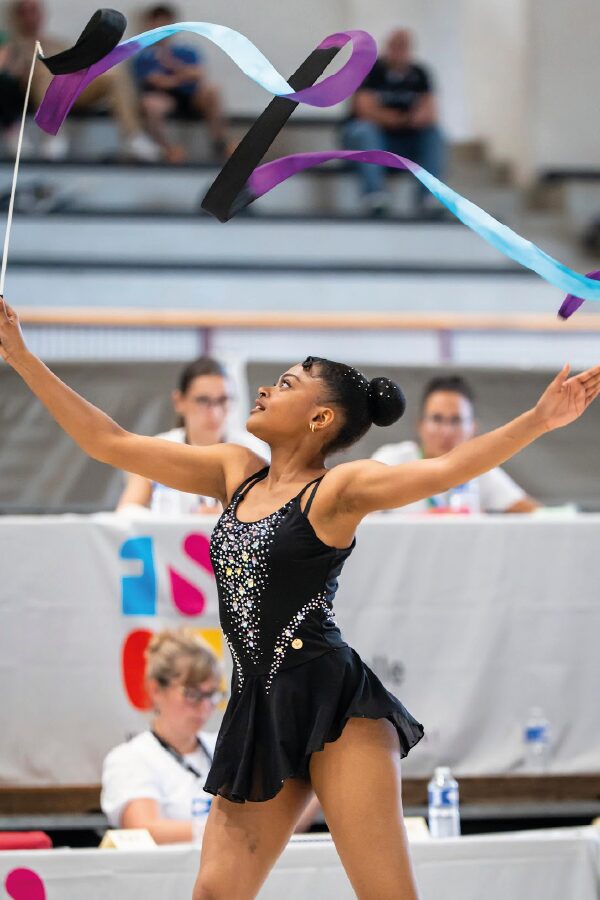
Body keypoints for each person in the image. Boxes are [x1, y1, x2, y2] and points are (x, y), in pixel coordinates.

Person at [2, 300, 599, 900]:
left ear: (319, 419)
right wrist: (22, 356)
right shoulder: (235, 471)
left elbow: (445, 471)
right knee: (214, 893)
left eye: (285, 383)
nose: (262, 387)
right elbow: (110, 442)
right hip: (258, 704)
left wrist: (539, 421)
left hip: (334, 705)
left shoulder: (338, 489)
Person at [101, 628, 223, 843]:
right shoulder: (131, 758)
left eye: (211, 694)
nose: (205, 707)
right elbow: (144, 829)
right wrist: (233, 832)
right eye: (192, 694)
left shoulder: (223, 748)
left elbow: (274, 821)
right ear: (155, 689)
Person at [0, 0, 160, 161]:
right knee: (44, 70)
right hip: (37, 93)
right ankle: (52, 135)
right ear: (17, 17)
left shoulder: (56, 43)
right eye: (25, 12)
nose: (30, 17)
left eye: (34, 11)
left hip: (70, 91)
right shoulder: (11, 45)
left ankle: (133, 136)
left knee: (115, 75)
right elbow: (8, 76)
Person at [116, 356, 268, 515]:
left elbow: (273, 509)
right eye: (203, 401)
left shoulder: (253, 450)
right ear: (179, 401)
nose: (215, 412)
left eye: (223, 400)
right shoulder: (157, 449)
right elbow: (127, 510)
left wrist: (228, 515)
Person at [372, 375, 539, 513]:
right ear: (420, 425)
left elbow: (534, 514)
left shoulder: (482, 468)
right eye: (437, 419)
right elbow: (358, 517)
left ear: (473, 428)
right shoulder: (391, 461)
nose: (446, 431)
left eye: (456, 420)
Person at [342, 28, 445, 217]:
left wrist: (409, 119)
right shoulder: (371, 71)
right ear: (387, 46)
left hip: (402, 141)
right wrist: (401, 119)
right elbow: (364, 110)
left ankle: (429, 197)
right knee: (366, 130)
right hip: (367, 140)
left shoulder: (420, 74)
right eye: (395, 45)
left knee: (434, 134)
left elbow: (429, 111)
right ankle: (374, 195)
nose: (399, 50)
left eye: (403, 46)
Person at [133, 4, 232, 164]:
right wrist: (183, 76)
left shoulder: (186, 50)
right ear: (149, 26)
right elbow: (159, 82)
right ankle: (167, 149)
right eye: (156, 25)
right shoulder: (144, 55)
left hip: (191, 96)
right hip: (165, 99)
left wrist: (174, 67)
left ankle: (221, 143)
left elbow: (199, 73)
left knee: (212, 91)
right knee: (151, 104)